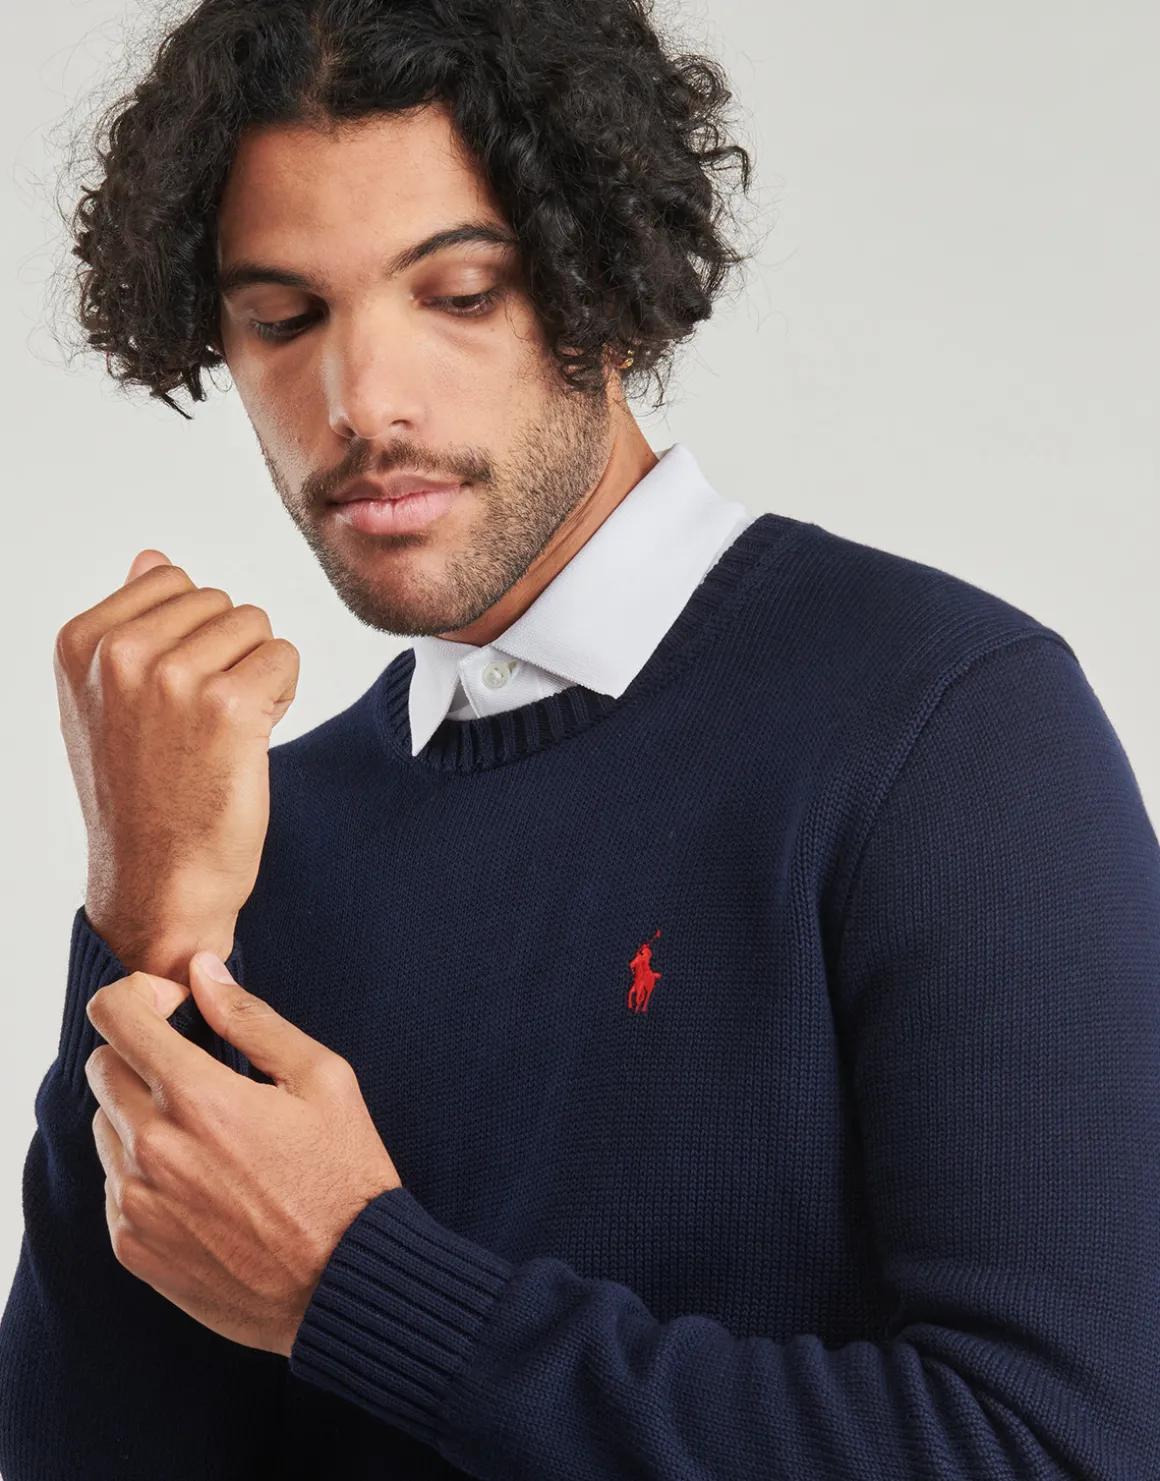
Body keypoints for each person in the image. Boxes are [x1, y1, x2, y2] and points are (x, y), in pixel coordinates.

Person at [2, 0, 1158, 1476]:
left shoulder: (948, 726)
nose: (362, 402)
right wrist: (146, 930)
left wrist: (357, 1282)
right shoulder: (258, 839)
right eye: (284, 318)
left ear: (602, 277)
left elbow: (1063, 1447)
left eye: (459, 293)